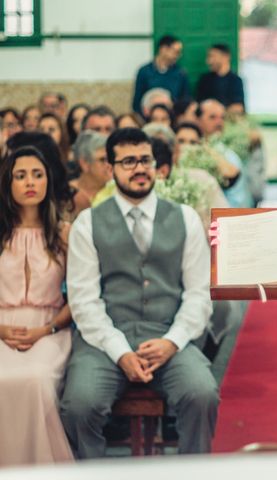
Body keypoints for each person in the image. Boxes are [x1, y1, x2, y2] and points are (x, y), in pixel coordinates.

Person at [60, 128, 218, 458]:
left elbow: (198, 294)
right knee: (79, 404)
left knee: (202, 394)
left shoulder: (185, 218)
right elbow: (84, 301)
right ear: (110, 169)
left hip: (168, 335)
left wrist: (171, 342)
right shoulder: (87, 224)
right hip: (104, 342)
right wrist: (121, 352)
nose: (139, 168)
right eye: (128, 161)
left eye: (145, 159)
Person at [0, 146, 74, 465]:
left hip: (51, 328)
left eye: (37, 174)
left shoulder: (65, 233)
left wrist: (48, 328)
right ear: (8, 184)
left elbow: (83, 295)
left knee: (35, 378)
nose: (30, 181)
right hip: (1, 328)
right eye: (20, 175)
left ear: (47, 181)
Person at [132, 35, 190, 116]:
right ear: (163, 49)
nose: (178, 56)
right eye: (176, 52)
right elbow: (137, 100)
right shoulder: (144, 71)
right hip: (148, 116)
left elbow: (185, 99)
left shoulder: (180, 73)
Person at [69, 130, 111, 215]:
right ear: (84, 163)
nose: (109, 165)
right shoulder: (67, 193)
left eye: (109, 159)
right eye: (102, 160)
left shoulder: (117, 191)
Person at [196, 43, 245, 115]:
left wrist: (216, 112)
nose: (209, 61)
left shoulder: (236, 80)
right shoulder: (205, 80)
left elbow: (238, 108)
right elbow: (199, 105)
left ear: (226, 57)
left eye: (212, 56)